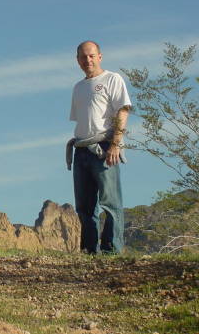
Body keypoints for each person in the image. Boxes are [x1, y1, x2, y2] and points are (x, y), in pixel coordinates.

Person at [68, 41, 131, 254]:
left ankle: (111, 250)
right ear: (78, 61)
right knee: (84, 207)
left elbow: (122, 111)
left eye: (92, 56)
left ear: (100, 56)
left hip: (104, 147)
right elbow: (82, 120)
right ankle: (89, 250)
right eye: (84, 57)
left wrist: (115, 144)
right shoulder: (78, 88)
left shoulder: (112, 79)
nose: (88, 60)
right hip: (82, 149)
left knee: (110, 202)